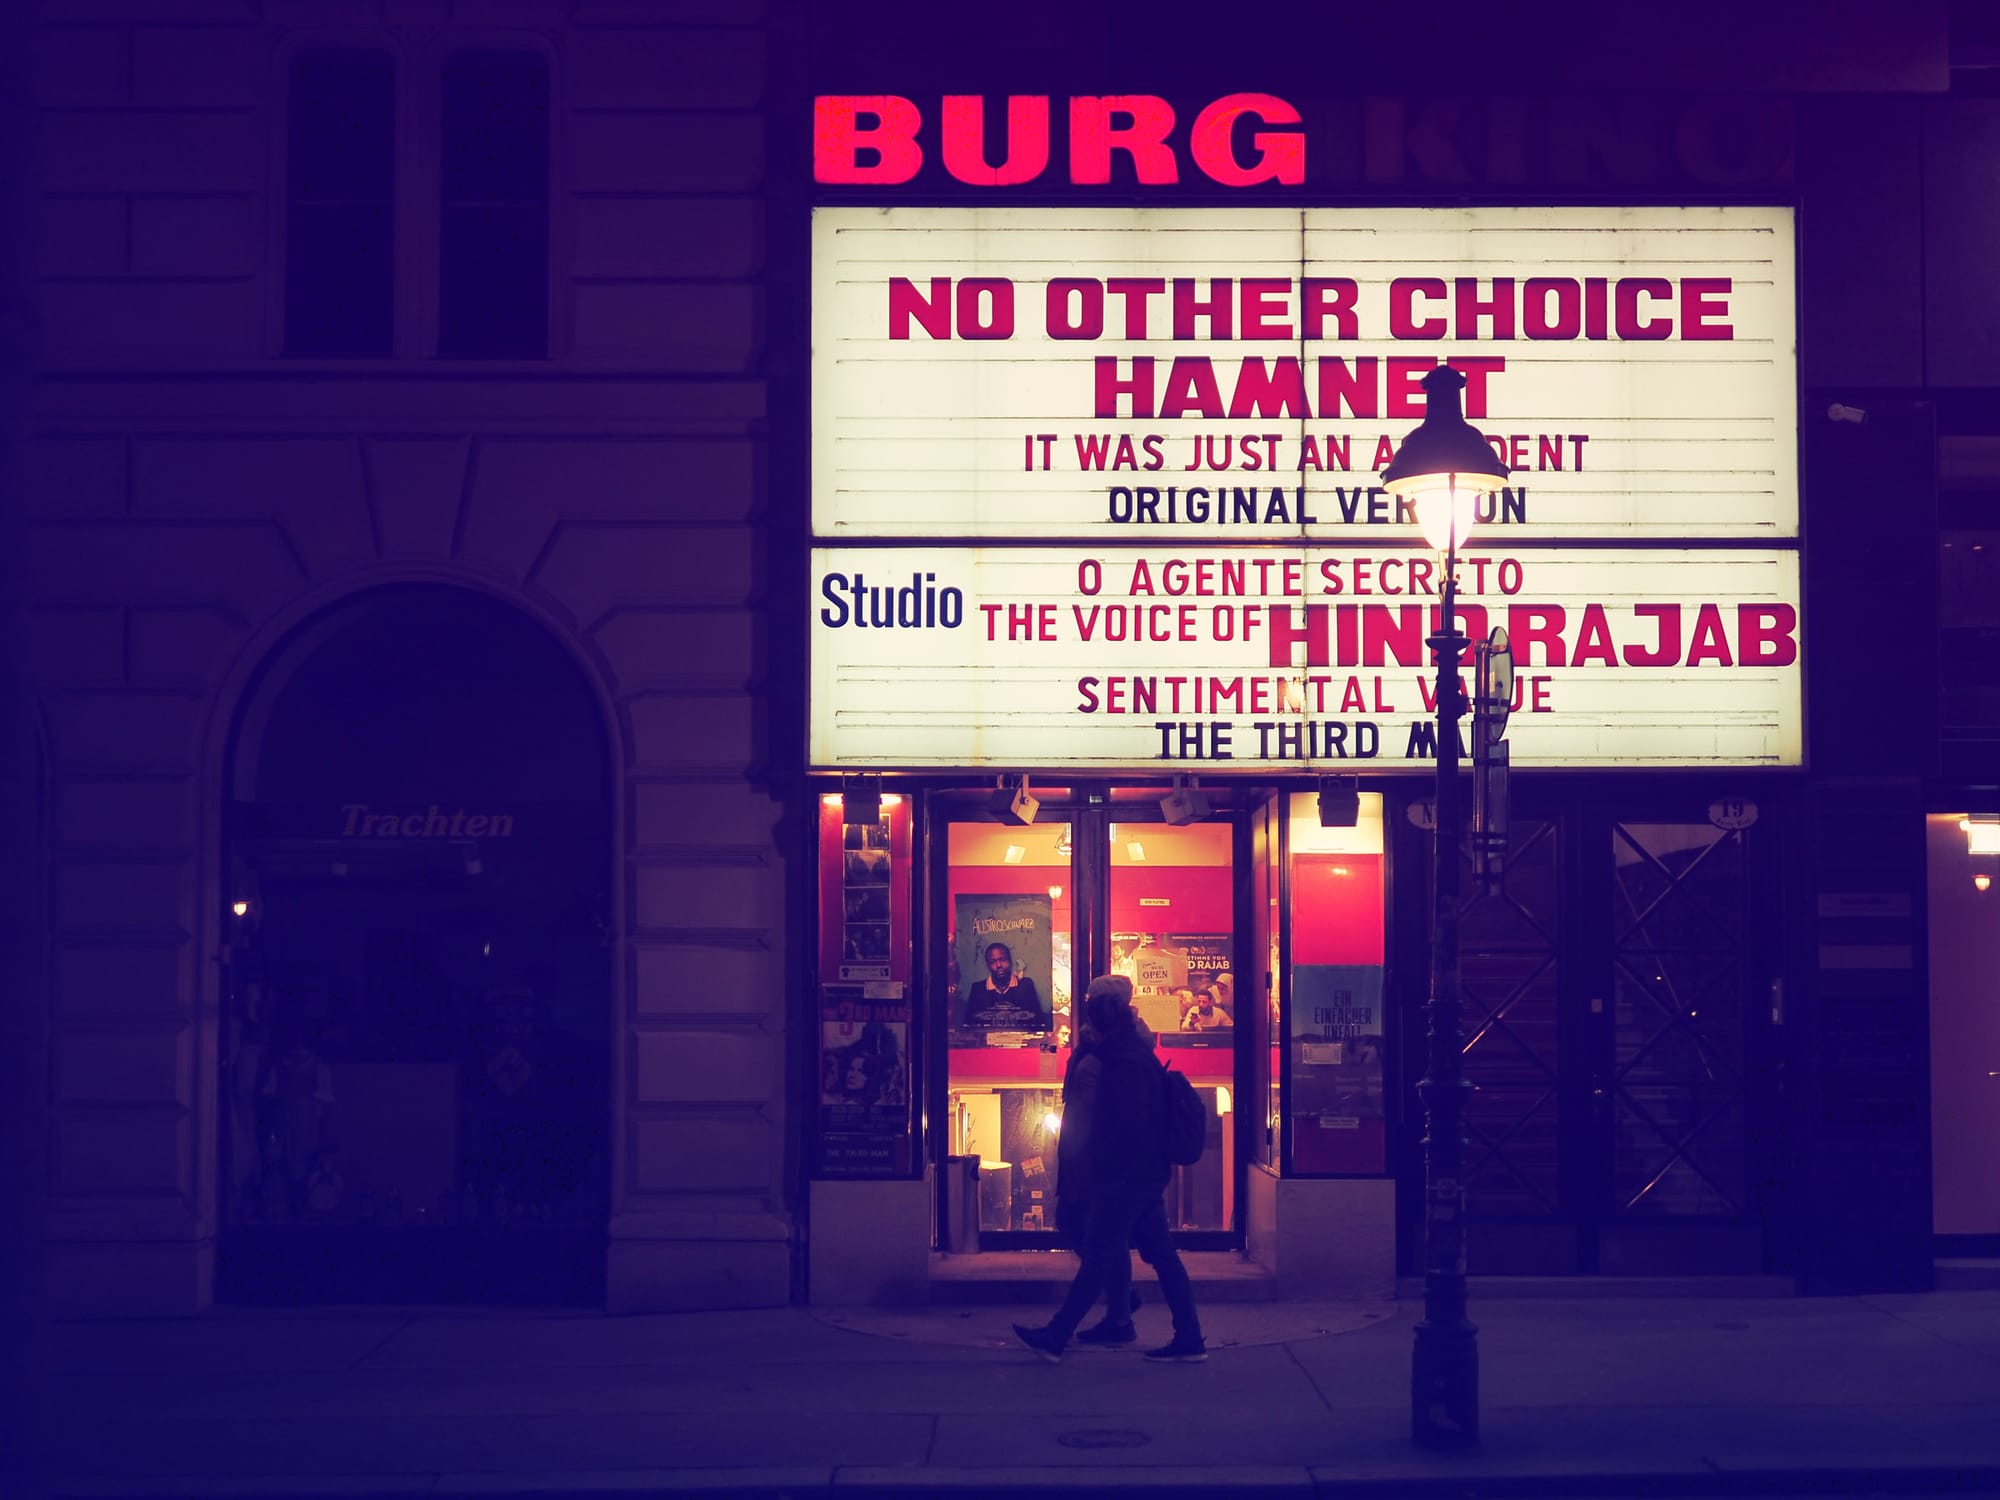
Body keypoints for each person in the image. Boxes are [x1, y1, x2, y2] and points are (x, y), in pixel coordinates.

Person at [1015, 974, 1205, 1364]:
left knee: (1100, 1252)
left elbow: (1121, 1123)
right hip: (1142, 1174)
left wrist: (1100, 1167)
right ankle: (1187, 1336)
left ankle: (1058, 1334)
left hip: (1125, 1176)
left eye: (1093, 1010)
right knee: (1161, 1256)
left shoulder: (1121, 1059)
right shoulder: (1131, 1051)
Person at [963, 941, 1043, 1029]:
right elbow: (969, 1026)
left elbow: (1037, 1022)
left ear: (1010, 961)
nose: (998, 965)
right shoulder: (978, 989)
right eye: (992, 962)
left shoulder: (1025, 986)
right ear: (988, 965)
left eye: (1003, 959)